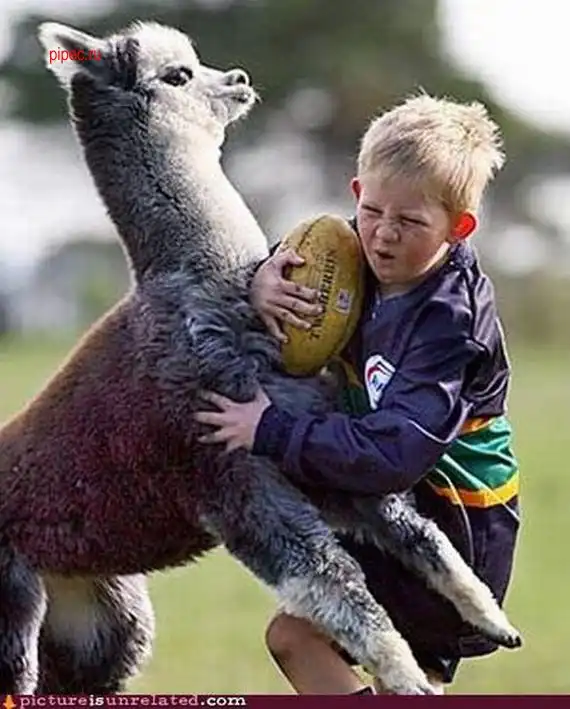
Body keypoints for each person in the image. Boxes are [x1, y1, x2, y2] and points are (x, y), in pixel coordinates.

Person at [194, 93, 521, 695]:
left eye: (410, 223)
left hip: (453, 529)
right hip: (385, 514)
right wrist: (260, 283)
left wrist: (272, 430)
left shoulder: (450, 326)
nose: (383, 235)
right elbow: (278, 267)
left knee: (298, 635)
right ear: (356, 193)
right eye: (371, 210)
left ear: (459, 228)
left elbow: (394, 453)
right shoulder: (341, 250)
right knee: (375, 670)